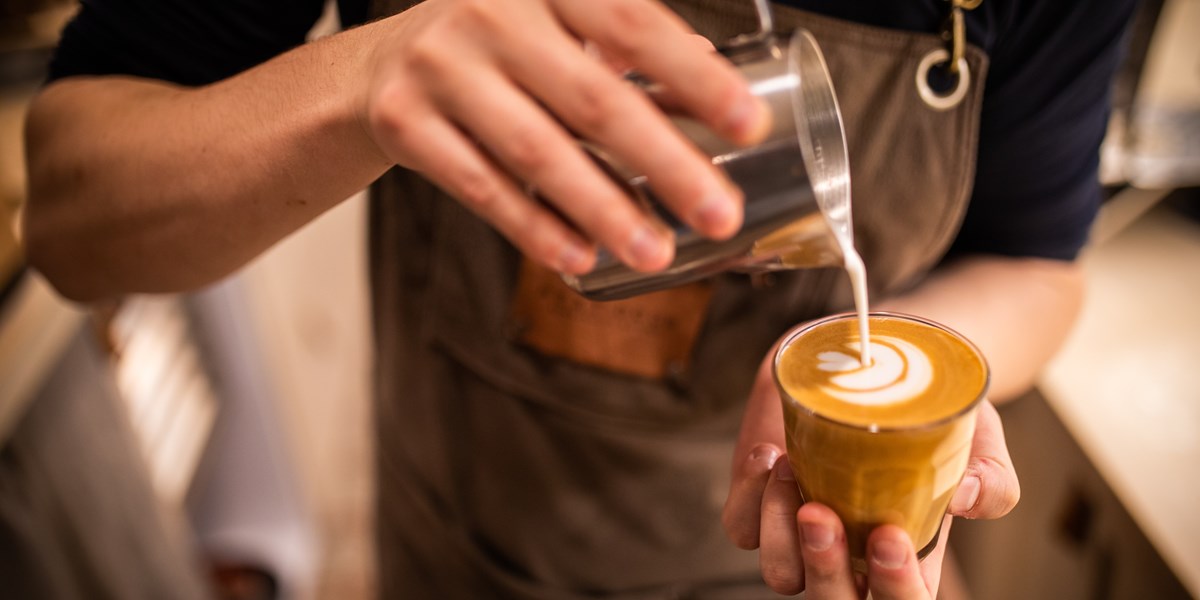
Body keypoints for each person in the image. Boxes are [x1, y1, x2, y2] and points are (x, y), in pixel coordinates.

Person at [20, 0, 1135, 597]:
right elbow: (71, 224)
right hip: (458, 549)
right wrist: (366, 81)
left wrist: (906, 394)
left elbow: (1037, 265)